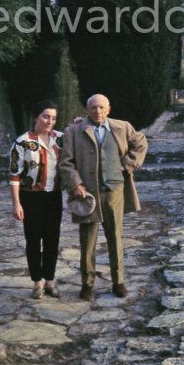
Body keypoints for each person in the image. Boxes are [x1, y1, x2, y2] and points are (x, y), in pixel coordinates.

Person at [58, 93, 147, 301]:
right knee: (87, 241)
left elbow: (141, 143)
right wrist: (76, 184)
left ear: (108, 109)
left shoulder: (122, 127)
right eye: (93, 108)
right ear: (87, 110)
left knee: (115, 237)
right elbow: (66, 163)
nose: (97, 111)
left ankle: (118, 282)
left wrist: (128, 164)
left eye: (101, 107)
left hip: (114, 192)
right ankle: (87, 285)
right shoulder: (73, 131)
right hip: (88, 194)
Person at [9, 100, 63, 300]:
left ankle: (50, 280)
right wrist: (16, 203)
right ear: (36, 117)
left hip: (54, 196)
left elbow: (81, 133)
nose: (50, 121)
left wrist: (78, 121)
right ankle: (37, 283)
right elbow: (14, 175)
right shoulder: (22, 141)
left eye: (54, 118)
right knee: (33, 240)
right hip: (31, 197)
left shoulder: (61, 139)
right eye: (46, 116)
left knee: (52, 239)